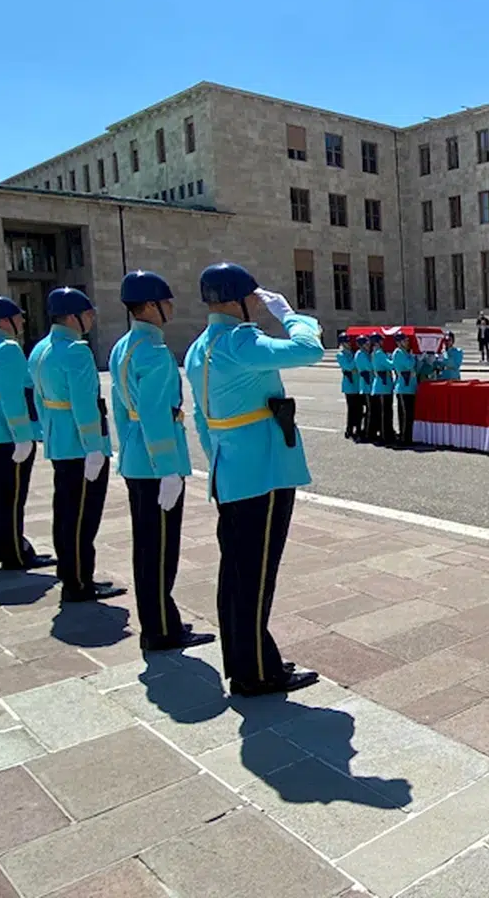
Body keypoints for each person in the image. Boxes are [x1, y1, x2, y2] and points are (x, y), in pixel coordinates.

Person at [184, 262, 322, 697]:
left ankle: (247, 660)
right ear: (238, 299)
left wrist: (221, 459)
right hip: (262, 473)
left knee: (238, 574)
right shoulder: (240, 341)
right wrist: (291, 316)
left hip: (232, 469)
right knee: (257, 576)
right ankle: (257, 672)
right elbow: (309, 350)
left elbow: (203, 421)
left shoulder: (199, 347)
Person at [108, 271, 213, 651]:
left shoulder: (124, 347)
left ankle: (156, 622)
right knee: (159, 550)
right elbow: (155, 413)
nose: (171, 307)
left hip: (138, 458)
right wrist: (168, 467)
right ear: (150, 305)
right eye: (166, 301)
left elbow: (124, 412)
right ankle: (161, 628)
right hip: (156, 464)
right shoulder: (153, 352)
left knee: (147, 546)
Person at [29, 288, 121, 603]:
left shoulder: (39, 350)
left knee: (66, 514)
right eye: (88, 313)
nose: (92, 318)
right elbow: (84, 405)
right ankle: (79, 582)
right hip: (81, 447)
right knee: (83, 517)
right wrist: (94, 446)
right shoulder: (76, 351)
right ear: (72, 316)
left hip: (60, 441)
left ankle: (70, 574)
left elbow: (40, 401)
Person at [0, 296, 54, 572]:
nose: (22, 322)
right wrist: (22, 435)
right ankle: (15, 553)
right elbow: (12, 396)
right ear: (5, 321)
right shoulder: (7, 349)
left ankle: (5, 546)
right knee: (12, 498)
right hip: (7, 436)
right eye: (18, 317)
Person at [391, 336, 417, 446]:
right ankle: (404, 438)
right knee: (405, 415)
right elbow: (409, 365)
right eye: (405, 341)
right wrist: (412, 356)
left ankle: (408, 437)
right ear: (399, 342)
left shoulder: (405, 353)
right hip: (403, 387)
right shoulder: (398, 353)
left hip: (410, 387)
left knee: (409, 414)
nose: (407, 343)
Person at [336, 333, 362, 440]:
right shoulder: (340, 355)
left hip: (358, 384)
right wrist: (356, 358)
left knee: (359, 408)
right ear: (342, 343)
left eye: (349, 341)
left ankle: (358, 428)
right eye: (346, 342)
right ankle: (349, 429)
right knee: (352, 409)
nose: (349, 343)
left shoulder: (352, 352)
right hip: (349, 385)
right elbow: (348, 366)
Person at [371, 335, 395, 444]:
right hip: (382, 387)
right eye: (380, 341)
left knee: (385, 412)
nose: (382, 342)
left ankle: (386, 433)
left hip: (383, 385)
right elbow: (391, 365)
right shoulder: (379, 353)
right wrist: (392, 357)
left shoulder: (377, 353)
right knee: (385, 413)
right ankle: (385, 436)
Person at [352, 336, 372, 442]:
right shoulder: (360, 354)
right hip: (366, 386)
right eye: (366, 343)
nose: (369, 345)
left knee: (370, 410)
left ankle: (368, 431)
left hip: (369, 385)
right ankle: (366, 433)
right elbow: (369, 367)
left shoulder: (365, 354)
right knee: (368, 411)